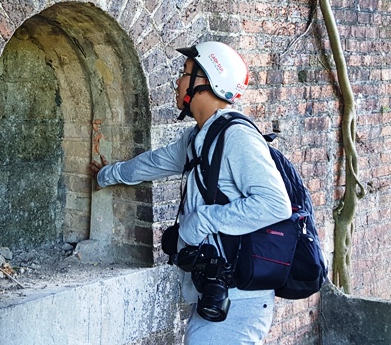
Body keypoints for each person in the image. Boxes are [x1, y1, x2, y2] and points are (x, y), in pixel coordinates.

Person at [88, 41, 291, 345]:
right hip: (217, 290)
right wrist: (108, 174)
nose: (178, 81)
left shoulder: (236, 137)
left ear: (207, 83)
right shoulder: (200, 137)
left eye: (185, 73)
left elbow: (275, 205)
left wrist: (201, 220)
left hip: (239, 297)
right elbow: (154, 163)